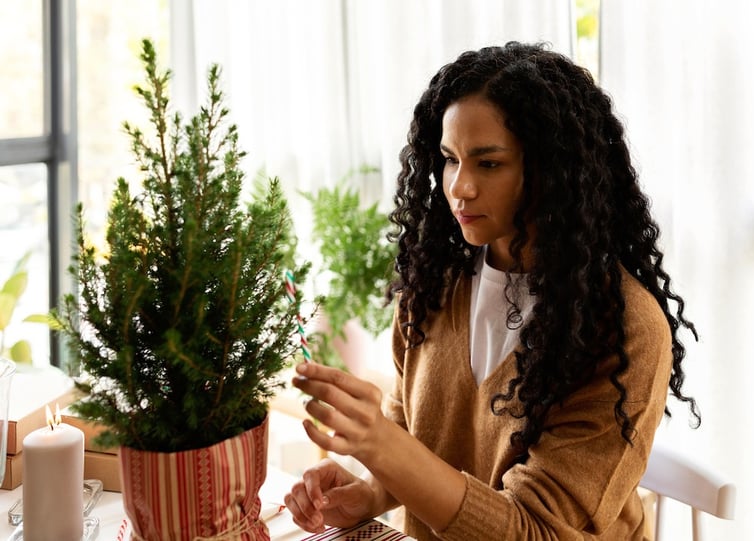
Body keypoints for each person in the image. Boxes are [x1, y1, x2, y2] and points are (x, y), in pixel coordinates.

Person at [285, 41, 699, 540]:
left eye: (488, 163)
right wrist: (371, 489)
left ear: (553, 171)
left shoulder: (622, 328)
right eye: (449, 159)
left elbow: (533, 531)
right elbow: (416, 428)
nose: (459, 187)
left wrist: (383, 447)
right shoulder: (436, 283)